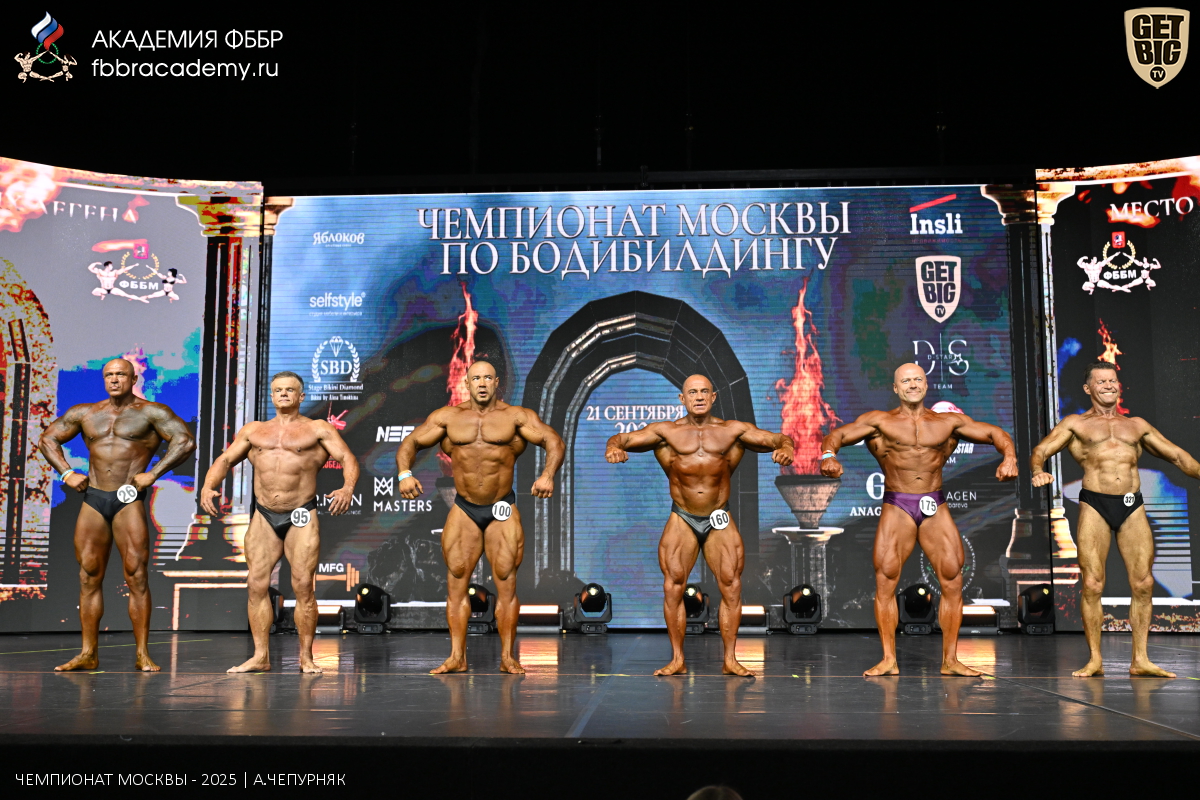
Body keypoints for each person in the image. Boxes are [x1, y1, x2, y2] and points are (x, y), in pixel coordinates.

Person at [820, 363, 1018, 676]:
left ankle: (951, 660)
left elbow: (995, 433)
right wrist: (829, 456)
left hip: (933, 502)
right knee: (886, 577)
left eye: (917, 379)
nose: (912, 385)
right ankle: (888, 659)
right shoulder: (880, 421)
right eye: (906, 381)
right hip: (898, 503)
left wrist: (1009, 457)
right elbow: (838, 435)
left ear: (926, 385)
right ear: (895, 388)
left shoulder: (948, 422)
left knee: (952, 576)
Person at [606, 374, 794, 677]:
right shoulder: (666, 432)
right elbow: (621, 439)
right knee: (673, 586)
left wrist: (786, 449)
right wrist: (613, 448)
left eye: (705, 391)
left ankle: (730, 659)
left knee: (731, 585)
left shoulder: (732, 431)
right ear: (682, 399)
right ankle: (677, 659)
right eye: (692, 392)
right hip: (683, 516)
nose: (699, 396)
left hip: (719, 516)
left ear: (714, 396)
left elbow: (779, 439)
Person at [1031, 360, 1199, 678]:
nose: (1109, 385)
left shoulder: (1136, 425)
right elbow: (1041, 449)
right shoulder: (1076, 425)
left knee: (1144, 583)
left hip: (1131, 504)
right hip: (1095, 504)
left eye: (1113, 381)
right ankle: (1095, 659)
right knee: (1093, 583)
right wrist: (1038, 470)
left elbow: (1177, 456)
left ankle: (1140, 660)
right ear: (1088, 388)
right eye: (1102, 381)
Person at [397, 360, 565, 674]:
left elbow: (552, 440)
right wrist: (405, 474)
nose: (483, 383)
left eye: (488, 377)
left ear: (497, 382)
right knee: (456, 581)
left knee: (506, 581)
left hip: (501, 507)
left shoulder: (516, 416)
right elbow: (412, 442)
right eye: (476, 378)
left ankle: (507, 657)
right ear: (467, 383)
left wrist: (548, 475)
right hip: (465, 508)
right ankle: (457, 657)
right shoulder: (448, 417)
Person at [37, 358, 196, 671]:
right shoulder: (86, 413)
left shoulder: (151, 412)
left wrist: (154, 473)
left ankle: (142, 654)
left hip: (128, 498)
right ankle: (88, 653)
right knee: (88, 575)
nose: (114, 379)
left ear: (133, 378)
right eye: (109, 375)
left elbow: (185, 440)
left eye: (120, 374)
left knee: (136, 574)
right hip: (94, 497)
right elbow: (47, 438)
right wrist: (67, 472)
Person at [200, 371, 359, 674]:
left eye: (290, 390)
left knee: (303, 586)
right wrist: (209, 486)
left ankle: (306, 658)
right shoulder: (254, 431)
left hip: (301, 514)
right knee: (256, 584)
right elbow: (225, 459)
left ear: (301, 396)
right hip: (264, 514)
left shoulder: (317, 429)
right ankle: (260, 657)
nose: (284, 394)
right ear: (271, 396)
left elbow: (347, 458)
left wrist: (347, 488)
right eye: (278, 390)